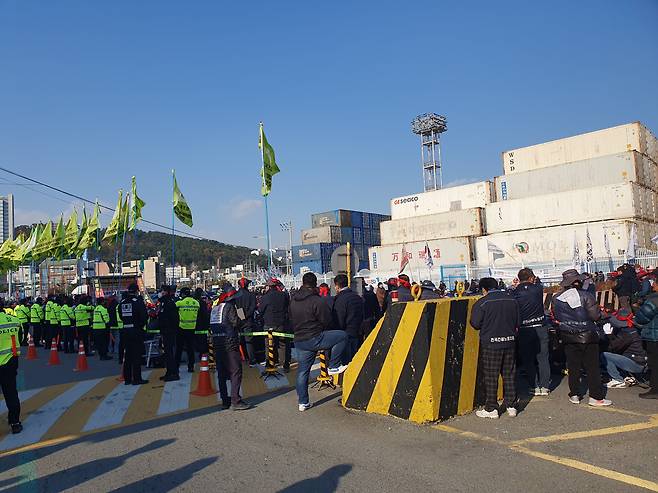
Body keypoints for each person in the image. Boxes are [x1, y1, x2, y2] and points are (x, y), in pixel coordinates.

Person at [551, 269, 611, 407]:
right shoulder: (586, 296)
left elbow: (557, 317)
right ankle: (595, 397)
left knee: (573, 366)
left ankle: (575, 394)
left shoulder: (557, 298)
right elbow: (595, 316)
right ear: (577, 281)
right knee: (592, 367)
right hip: (587, 336)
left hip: (568, 335)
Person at [290, 272, 348, 411]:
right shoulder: (317, 301)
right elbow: (326, 320)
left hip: (299, 339)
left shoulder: (293, 300)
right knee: (342, 336)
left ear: (302, 283)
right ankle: (334, 365)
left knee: (302, 372)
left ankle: (303, 402)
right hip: (315, 337)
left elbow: (290, 318)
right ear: (315, 284)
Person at [470, 277, 519, 419]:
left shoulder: (482, 303)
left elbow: (475, 323)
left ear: (484, 289)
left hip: (491, 344)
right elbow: (518, 322)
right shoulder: (512, 300)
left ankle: (491, 408)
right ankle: (511, 406)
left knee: (491, 376)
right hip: (510, 342)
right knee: (509, 374)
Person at [209, 284, 251, 410]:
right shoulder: (230, 307)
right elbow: (235, 322)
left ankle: (225, 400)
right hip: (230, 343)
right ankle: (236, 400)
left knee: (221, 373)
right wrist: (241, 315)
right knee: (236, 371)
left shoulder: (216, 309)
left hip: (217, 343)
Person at [511, 268, 551, 396]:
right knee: (543, 357)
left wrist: (514, 285)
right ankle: (545, 386)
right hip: (540, 326)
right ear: (531, 278)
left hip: (524, 329)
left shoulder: (515, 292)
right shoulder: (538, 289)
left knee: (528, 359)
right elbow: (539, 282)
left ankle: (533, 385)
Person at [600, 309, 646, 388]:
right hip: (638, 360)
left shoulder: (627, 333)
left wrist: (608, 335)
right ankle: (627, 376)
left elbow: (613, 348)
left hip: (635, 364)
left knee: (605, 355)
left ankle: (618, 379)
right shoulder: (633, 329)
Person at [118, 283, 149, 385]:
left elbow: (121, 316)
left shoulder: (122, 303)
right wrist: (140, 326)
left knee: (128, 355)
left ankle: (127, 379)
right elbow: (144, 316)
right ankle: (137, 378)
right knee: (136, 355)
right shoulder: (138, 302)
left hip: (125, 331)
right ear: (136, 291)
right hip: (135, 331)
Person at [631, 279, 658, 399]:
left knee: (655, 363)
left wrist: (637, 309)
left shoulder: (654, 300)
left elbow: (642, 317)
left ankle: (655, 390)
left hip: (654, 336)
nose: (653, 285)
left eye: (655, 283)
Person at [0, 299, 22, 434]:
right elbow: (23, 336)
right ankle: (15, 423)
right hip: (10, 361)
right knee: (11, 393)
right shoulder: (14, 320)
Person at [259, 278, 291, 371]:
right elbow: (287, 308)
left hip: (268, 324)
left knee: (269, 345)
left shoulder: (265, 297)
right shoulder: (283, 295)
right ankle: (285, 365)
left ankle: (270, 364)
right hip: (281, 323)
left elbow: (261, 310)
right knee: (283, 345)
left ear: (269, 286)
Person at [332, 274, 364, 363]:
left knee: (346, 362)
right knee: (355, 360)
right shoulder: (357, 297)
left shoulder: (340, 299)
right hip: (357, 332)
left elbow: (339, 318)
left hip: (345, 334)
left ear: (337, 286)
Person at [234, 278, 259, 366]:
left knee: (239, 341)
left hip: (238, 320)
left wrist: (241, 316)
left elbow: (236, 307)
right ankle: (251, 359)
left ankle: (241, 358)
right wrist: (246, 316)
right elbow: (252, 308)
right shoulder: (251, 295)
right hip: (248, 321)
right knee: (249, 341)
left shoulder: (236, 295)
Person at [158, 285, 180, 381]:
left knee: (170, 353)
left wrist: (170, 328)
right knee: (167, 353)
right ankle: (169, 372)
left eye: (161, 291)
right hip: (165, 331)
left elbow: (174, 318)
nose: (160, 293)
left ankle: (174, 373)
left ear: (166, 292)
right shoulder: (163, 302)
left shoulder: (169, 302)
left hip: (169, 331)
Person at [175, 287, 200, 373]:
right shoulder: (196, 303)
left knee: (179, 349)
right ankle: (191, 367)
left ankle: (176, 367)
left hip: (181, 328)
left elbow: (174, 309)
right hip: (192, 328)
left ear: (183, 294)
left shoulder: (180, 303)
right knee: (190, 349)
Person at [193, 288, 210, 359]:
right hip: (201, 324)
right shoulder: (201, 303)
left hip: (192, 324)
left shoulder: (193, 302)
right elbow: (205, 314)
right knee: (202, 340)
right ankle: (202, 355)